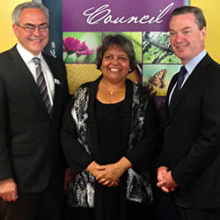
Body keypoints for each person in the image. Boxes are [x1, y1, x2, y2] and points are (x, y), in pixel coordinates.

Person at [61, 34, 160, 220]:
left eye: (122, 58)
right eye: (109, 57)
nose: (115, 62)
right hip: (88, 187)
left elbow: (151, 138)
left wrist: (120, 168)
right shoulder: (82, 94)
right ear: (100, 62)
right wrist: (94, 169)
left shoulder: (143, 97)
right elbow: (67, 136)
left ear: (130, 64)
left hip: (131, 188)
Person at [0, 2, 70, 220]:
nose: (37, 33)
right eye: (30, 26)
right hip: (18, 182)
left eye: (43, 26)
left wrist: (67, 167)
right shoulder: (2, 67)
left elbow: (60, 122)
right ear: (15, 29)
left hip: (55, 180)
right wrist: (3, 178)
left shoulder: (57, 65)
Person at [157, 6, 220, 220]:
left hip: (203, 197)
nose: (178, 39)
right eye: (172, 33)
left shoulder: (215, 77)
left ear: (203, 33)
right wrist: (163, 166)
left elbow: (213, 138)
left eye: (186, 31)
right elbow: (172, 131)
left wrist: (177, 176)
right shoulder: (176, 79)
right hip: (174, 194)